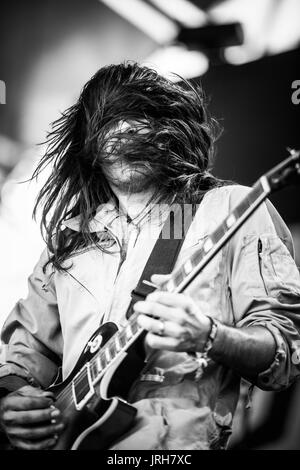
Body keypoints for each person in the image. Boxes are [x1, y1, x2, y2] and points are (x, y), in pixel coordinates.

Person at [0, 62, 300, 451]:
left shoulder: (229, 209)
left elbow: (286, 351)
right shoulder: (69, 239)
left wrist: (212, 336)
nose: (125, 132)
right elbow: (25, 354)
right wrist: (12, 402)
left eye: (139, 117)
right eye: (111, 120)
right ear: (88, 141)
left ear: (168, 132)